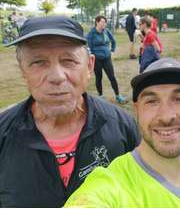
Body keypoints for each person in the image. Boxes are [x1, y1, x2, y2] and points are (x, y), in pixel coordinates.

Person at [0, 15, 140, 207]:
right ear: (23, 71)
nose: (56, 77)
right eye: (38, 62)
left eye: (68, 60)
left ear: (89, 66)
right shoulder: (3, 133)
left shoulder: (122, 127)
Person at [65, 58, 180, 207]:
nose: (166, 116)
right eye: (152, 101)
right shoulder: (109, 186)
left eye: (179, 99)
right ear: (137, 110)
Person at [87, 15, 127, 104]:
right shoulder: (91, 33)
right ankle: (101, 96)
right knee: (99, 77)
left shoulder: (106, 31)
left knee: (112, 77)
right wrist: (91, 56)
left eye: (105, 22)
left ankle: (118, 96)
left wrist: (112, 50)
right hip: (97, 60)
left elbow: (113, 41)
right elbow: (88, 47)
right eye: (102, 22)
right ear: (97, 22)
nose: (104, 24)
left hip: (107, 58)